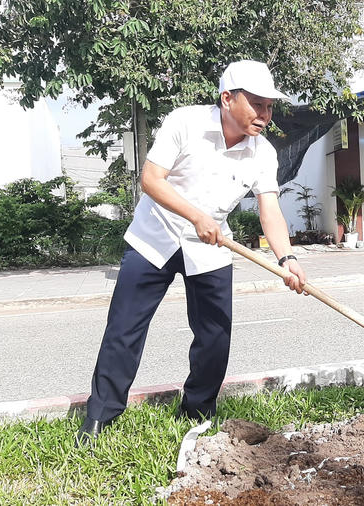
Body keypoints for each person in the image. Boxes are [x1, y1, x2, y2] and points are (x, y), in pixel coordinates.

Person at [76, 60, 307, 445]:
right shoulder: (185, 122)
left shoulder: (263, 153)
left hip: (212, 246)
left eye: (269, 107)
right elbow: (150, 179)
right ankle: (100, 415)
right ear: (227, 98)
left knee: (215, 335)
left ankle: (197, 410)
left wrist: (288, 259)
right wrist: (195, 215)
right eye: (257, 104)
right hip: (155, 237)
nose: (265, 115)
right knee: (124, 328)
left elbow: (270, 209)